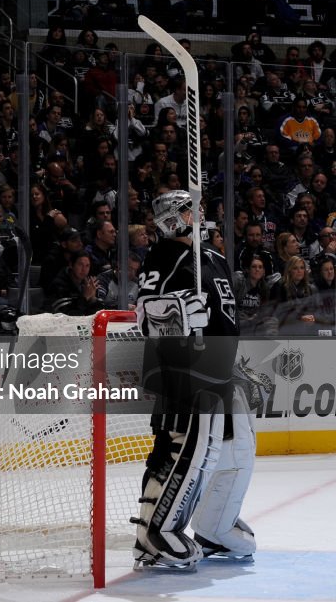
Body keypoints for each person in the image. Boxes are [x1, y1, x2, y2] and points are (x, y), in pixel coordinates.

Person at [133, 190, 255, 570]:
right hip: (183, 370)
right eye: (190, 209)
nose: (199, 212)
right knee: (185, 450)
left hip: (218, 369)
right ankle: (156, 531)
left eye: (198, 207)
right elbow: (144, 316)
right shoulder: (164, 256)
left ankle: (214, 527)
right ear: (173, 217)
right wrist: (179, 311)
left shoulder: (213, 258)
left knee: (230, 448)